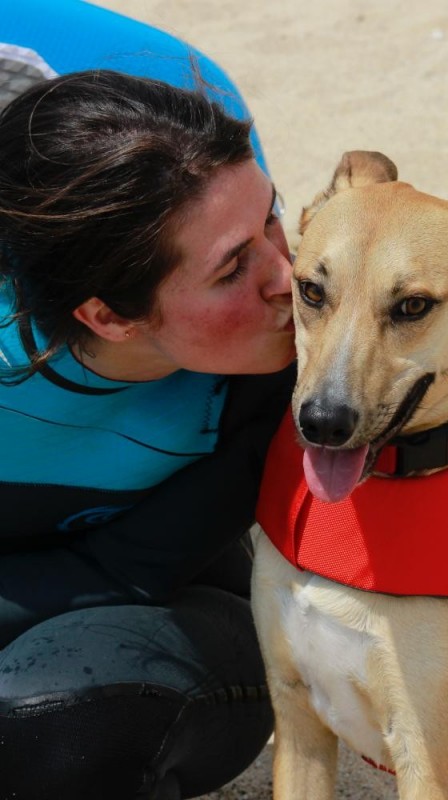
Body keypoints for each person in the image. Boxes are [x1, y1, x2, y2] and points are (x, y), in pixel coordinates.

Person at [0, 66, 296, 800]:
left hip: (164, 624)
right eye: (234, 269)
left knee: (49, 722)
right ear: (109, 317)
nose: (289, 275)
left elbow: (121, 571)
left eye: (273, 217)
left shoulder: (281, 372)